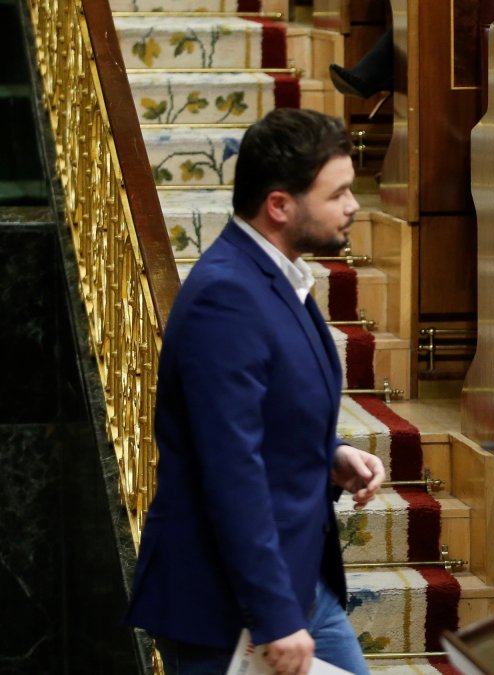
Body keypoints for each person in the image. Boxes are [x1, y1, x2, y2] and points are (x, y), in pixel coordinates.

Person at [125, 108, 384, 675]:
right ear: (279, 206)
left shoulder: (277, 274)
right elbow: (230, 467)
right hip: (232, 603)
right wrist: (272, 615)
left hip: (296, 581)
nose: (353, 206)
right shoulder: (227, 296)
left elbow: (270, 412)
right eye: (337, 193)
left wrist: (331, 453)